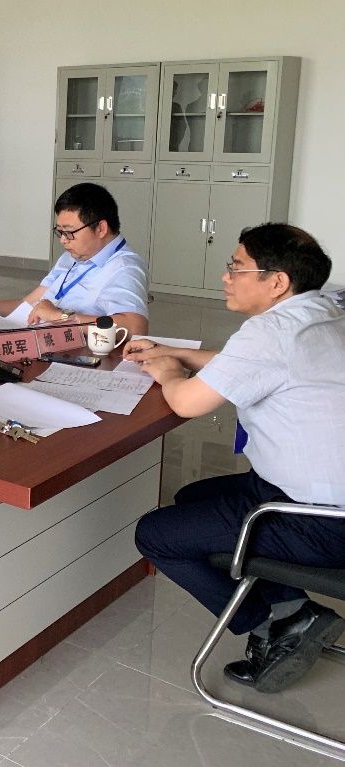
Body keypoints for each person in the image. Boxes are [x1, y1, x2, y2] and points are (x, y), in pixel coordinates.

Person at [126, 223, 345, 693]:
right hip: (312, 494)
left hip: (322, 521)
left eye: (237, 268)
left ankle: (273, 623)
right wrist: (171, 350)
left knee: (156, 535)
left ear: (277, 281)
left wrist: (168, 372)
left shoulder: (270, 334)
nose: (226, 277)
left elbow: (186, 402)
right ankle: (291, 607)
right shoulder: (324, 311)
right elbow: (244, 365)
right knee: (192, 497)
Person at [0, 182, 150, 337]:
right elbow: (27, 305)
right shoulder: (71, 256)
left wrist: (60, 317)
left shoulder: (124, 268)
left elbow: (134, 327)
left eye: (69, 232)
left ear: (100, 228)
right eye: (59, 232)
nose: (63, 240)